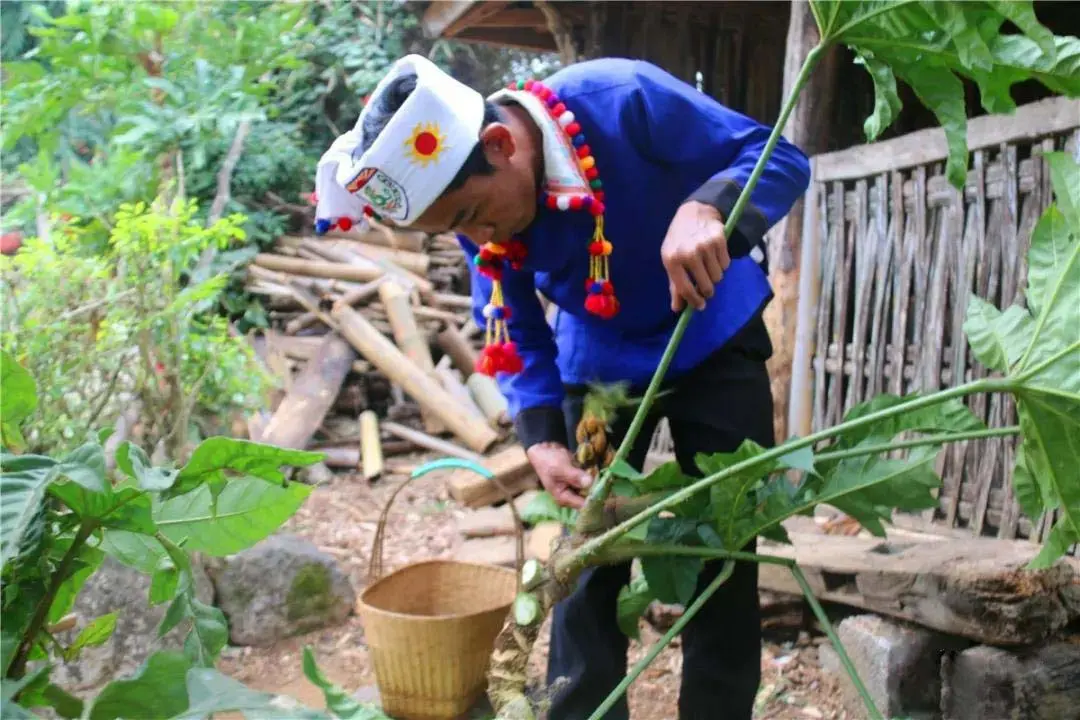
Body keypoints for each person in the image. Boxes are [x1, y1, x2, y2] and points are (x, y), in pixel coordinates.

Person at [313, 53, 810, 720]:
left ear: (500, 145)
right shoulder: (478, 217)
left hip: (711, 329)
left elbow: (779, 156)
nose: (477, 238)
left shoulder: (620, 97)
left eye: (474, 214)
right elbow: (509, 324)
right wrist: (543, 438)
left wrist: (708, 205)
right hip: (600, 364)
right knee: (587, 561)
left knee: (724, 553)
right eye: (458, 229)